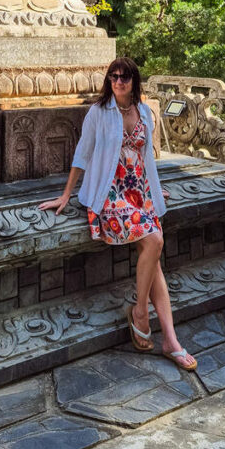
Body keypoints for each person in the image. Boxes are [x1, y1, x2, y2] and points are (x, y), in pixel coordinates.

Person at [39, 57, 197, 370]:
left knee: (153, 257)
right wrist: (67, 193)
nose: (119, 82)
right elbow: (82, 153)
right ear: (109, 80)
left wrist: (154, 187)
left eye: (124, 77)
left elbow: (145, 156)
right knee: (154, 242)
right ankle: (140, 312)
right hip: (111, 193)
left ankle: (169, 339)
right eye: (114, 76)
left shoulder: (145, 113)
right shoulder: (99, 112)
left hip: (138, 191)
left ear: (134, 81)